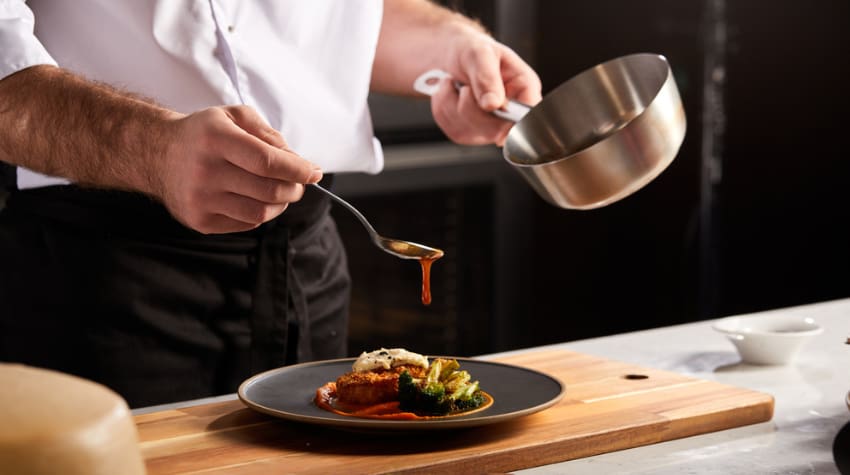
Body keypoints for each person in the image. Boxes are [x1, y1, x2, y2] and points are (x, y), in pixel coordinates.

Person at [0, 0, 542, 408]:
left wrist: (448, 46)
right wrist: (152, 148)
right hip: (97, 272)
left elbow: (343, 18)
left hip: (309, 262)